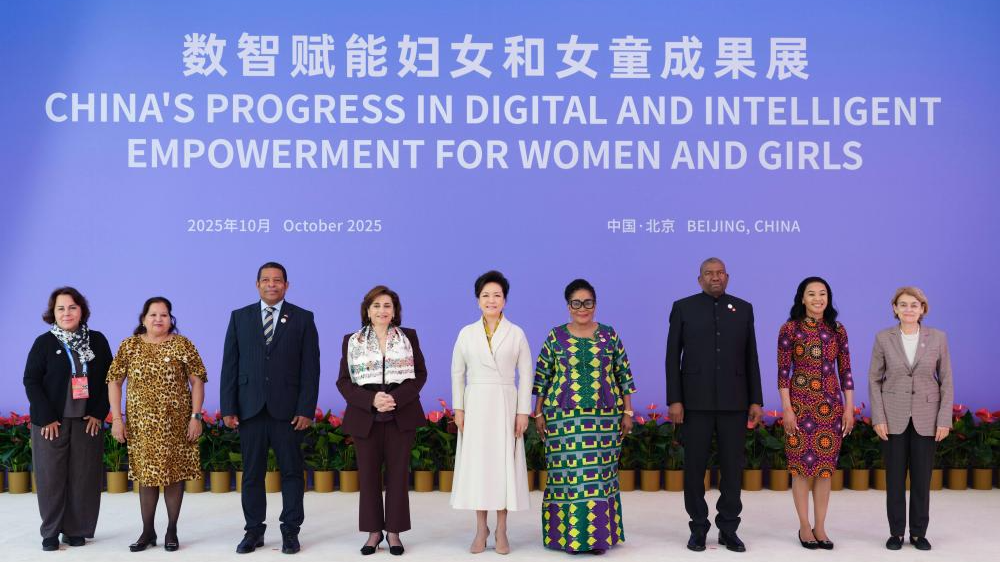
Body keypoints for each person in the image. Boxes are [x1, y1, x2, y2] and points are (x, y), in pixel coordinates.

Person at [220, 262, 320, 555]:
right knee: (251, 474)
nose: (272, 284)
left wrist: (306, 408)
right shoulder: (240, 317)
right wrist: (229, 406)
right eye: (266, 280)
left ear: (286, 285)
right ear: (257, 284)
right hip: (250, 408)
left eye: (277, 280)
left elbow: (310, 368)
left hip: (288, 411)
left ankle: (290, 531)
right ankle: (253, 531)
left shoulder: (303, 318)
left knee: (291, 473)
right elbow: (230, 365)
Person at [666, 257, 763, 553]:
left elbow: (751, 358)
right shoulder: (683, 307)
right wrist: (675, 399)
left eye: (720, 273)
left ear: (728, 277)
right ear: (699, 279)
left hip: (735, 402)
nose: (715, 277)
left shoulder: (743, 308)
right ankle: (698, 528)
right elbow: (673, 357)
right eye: (709, 274)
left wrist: (756, 399)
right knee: (695, 469)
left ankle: (729, 528)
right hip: (694, 403)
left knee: (732, 469)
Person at [532, 279, 636, 555]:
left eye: (587, 302)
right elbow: (542, 376)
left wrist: (627, 411)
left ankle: (598, 538)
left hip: (604, 420)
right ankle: (566, 538)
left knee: (600, 477)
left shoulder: (609, 335)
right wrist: (539, 411)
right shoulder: (556, 336)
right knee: (567, 477)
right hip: (562, 420)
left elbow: (623, 375)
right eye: (576, 303)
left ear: (595, 304)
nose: (582, 308)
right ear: (568, 306)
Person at [106, 296, 207, 552]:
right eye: (153, 314)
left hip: (176, 425)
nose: (158, 319)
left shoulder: (183, 345)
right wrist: (117, 419)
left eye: (164, 315)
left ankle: (171, 530)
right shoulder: (129, 346)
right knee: (146, 478)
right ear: (143, 318)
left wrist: (196, 417)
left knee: (174, 477)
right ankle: (147, 531)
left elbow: (197, 381)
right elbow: (114, 381)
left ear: (170, 319)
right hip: (142, 426)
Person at [337, 285, 428, 556]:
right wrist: (371, 401)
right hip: (366, 417)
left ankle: (394, 533)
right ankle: (373, 532)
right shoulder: (352, 340)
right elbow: (343, 381)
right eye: (376, 305)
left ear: (395, 310)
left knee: (399, 475)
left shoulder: (408, 337)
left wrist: (395, 398)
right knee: (368, 477)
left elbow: (420, 375)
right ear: (367, 310)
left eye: (387, 305)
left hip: (401, 414)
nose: (382, 310)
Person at [23, 287, 111, 551]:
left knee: (84, 476)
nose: (66, 313)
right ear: (53, 313)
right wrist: (46, 417)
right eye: (60, 308)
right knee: (50, 478)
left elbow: (110, 379)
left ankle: (76, 530)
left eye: (72, 307)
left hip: (87, 421)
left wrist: (98, 412)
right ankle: (50, 532)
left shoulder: (96, 340)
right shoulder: (44, 343)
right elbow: (31, 380)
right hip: (52, 423)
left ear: (82, 310)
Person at [450, 270, 532, 555]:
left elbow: (526, 374)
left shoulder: (517, 333)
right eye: (485, 295)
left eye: (497, 295)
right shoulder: (466, 333)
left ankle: (502, 529)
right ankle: (480, 528)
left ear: (505, 300)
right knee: (479, 468)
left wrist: (523, 412)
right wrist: (458, 409)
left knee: (503, 467)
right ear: (477, 301)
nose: (491, 300)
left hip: (505, 403)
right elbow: (457, 374)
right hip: (476, 405)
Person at [868, 287, 953, 552]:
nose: (908, 309)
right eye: (903, 305)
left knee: (921, 479)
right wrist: (878, 417)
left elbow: (947, 380)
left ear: (923, 309)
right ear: (894, 308)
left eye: (914, 305)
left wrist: (944, 419)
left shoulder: (938, 338)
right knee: (894, 479)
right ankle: (896, 532)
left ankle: (918, 533)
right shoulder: (884, 338)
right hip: (892, 417)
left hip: (927, 417)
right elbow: (874, 379)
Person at [777, 277, 854, 550]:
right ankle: (804, 526)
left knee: (823, 471)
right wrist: (787, 408)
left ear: (828, 299)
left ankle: (821, 526)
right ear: (802, 298)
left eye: (822, 294)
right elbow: (783, 372)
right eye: (812, 294)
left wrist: (848, 408)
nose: (818, 299)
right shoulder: (790, 329)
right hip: (799, 406)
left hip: (830, 408)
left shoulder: (837, 330)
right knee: (801, 470)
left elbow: (845, 372)